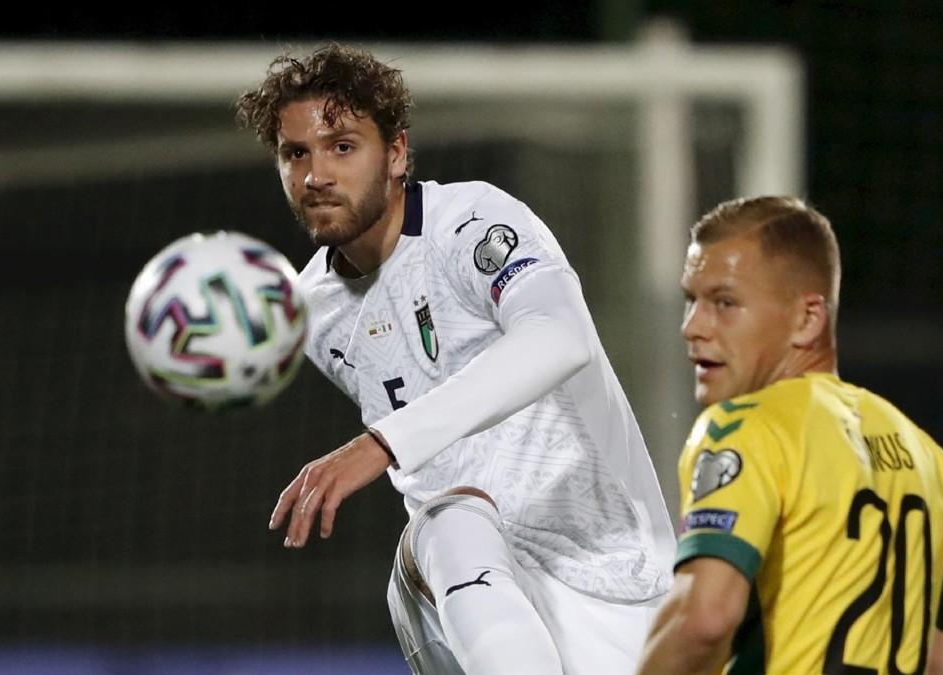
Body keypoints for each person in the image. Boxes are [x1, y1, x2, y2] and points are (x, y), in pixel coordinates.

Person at [236, 43, 674, 673]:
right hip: (479, 598)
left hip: (622, 589)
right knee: (446, 521)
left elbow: (558, 336)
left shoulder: (469, 223)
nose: (315, 176)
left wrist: (383, 442)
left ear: (396, 154)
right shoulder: (313, 313)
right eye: (295, 153)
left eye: (342, 146)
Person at [636, 196, 943, 674]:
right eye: (690, 300)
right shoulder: (922, 452)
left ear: (808, 319)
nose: (692, 327)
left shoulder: (747, 428)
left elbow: (705, 619)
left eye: (724, 302)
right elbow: (927, 652)